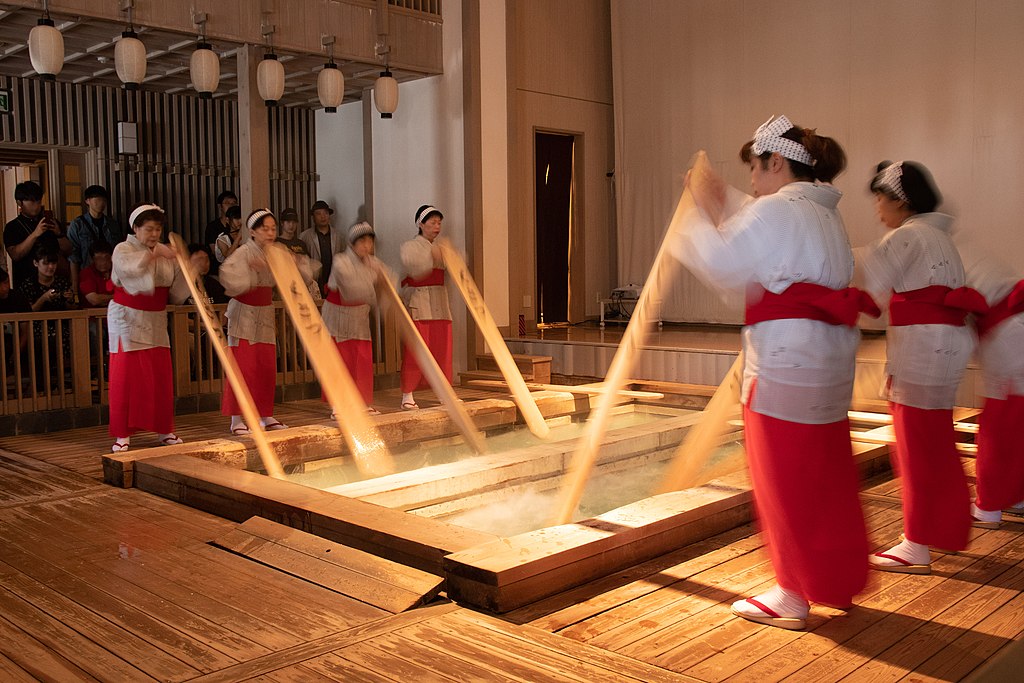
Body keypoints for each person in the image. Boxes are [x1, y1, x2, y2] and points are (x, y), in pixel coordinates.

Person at [673, 116, 874, 630]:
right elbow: (762, 227)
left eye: (756, 170)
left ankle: (790, 592)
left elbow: (726, 261)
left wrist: (694, 213)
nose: (753, 183)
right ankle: (831, 579)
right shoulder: (823, 213)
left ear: (777, 162)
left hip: (786, 363)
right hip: (827, 362)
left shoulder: (777, 211)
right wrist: (720, 197)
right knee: (823, 477)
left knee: (782, 478)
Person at [861, 161, 985, 574]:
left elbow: (869, 297)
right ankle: (944, 528)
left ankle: (915, 542)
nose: (877, 208)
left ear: (899, 200)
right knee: (935, 443)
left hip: (921, 348)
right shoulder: (940, 237)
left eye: (879, 198)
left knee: (915, 446)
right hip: (947, 344)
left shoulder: (905, 236)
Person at [107, 204, 189, 451]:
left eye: (158, 229)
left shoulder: (163, 252)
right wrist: (153, 255)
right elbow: (129, 270)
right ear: (135, 228)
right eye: (149, 229)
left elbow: (175, 293)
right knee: (126, 377)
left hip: (155, 319)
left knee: (159, 376)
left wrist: (188, 266)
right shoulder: (123, 248)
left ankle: (165, 430)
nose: (154, 234)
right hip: (127, 318)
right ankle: (122, 435)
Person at [956, 243, 1024, 526]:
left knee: (1000, 425)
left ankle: (989, 506)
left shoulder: (935, 248)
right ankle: (1016, 495)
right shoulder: (960, 244)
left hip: (1005, 337)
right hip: (1012, 329)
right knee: (1015, 420)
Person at [219, 209, 301, 435]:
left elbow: (296, 275)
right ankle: (237, 419)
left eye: (273, 228)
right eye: (264, 228)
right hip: (243, 312)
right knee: (243, 367)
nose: (270, 232)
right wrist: (249, 272)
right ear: (252, 231)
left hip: (264, 312)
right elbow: (227, 275)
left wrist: (290, 265)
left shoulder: (278, 251)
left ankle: (264, 414)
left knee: (265, 366)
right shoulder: (244, 252)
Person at [322, 222, 389, 413]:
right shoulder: (340, 260)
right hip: (338, 317)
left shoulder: (373, 262)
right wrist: (374, 281)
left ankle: (361, 403)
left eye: (370, 241)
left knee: (362, 360)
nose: (367, 246)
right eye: (362, 241)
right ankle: (337, 405)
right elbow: (353, 288)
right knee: (339, 361)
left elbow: (388, 279)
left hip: (359, 317)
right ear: (352, 244)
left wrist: (384, 281)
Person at [398, 205, 453, 411]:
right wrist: (433, 258)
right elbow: (415, 269)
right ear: (420, 224)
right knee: (417, 351)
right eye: (432, 222)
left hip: (440, 302)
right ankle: (407, 394)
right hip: (419, 303)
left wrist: (447, 256)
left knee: (442, 350)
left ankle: (443, 392)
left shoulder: (441, 247)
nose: (436, 226)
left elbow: (458, 266)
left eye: (439, 223)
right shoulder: (410, 246)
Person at [4, 180, 71, 287]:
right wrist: (35, 234)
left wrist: (59, 234)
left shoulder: (51, 222)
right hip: (27, 282)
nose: (36, 205)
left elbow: (69, 250)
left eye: (39, 201)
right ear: (19, 202)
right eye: (32, 201)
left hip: (56, 280)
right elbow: (15, 255)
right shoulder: (12, 227)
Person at [66, 184, 124, 296]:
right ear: (87, 201)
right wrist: (74, 285)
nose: (101, 203)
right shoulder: (77, 224)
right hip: (88, 274)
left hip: (110, 274)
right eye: (97, 199)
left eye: (103, 199)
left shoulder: (112, 224)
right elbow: (74, 257)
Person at [300, 200, 346, 293]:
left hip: (334, 281)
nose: (323, 216)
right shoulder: (305, 236)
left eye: (326, 213)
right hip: (315, 281)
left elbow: (344, 257)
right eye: (318, 214)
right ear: (313, 217)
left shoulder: (339, 236)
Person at [0, 267, 31, 370]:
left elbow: (26, 332)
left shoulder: (18, 298)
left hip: (17, 340)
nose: (5, 288)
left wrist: (16, 353)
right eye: (0, 284)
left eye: (6, 282)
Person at [204, 190, 238, 274]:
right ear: (220, 206)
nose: (231, 206)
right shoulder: (213, 227)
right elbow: (216, 253)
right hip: (219, 271)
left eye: (234, 203)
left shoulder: (241, 226)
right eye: (227, 203)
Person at [78, 241, 115, 307]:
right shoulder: (87, 273)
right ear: (92, 259)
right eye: (99, 258)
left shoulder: (118, 271)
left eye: (106, 257)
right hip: (92, 314)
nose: (103, 262)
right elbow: (94, 300)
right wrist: (118, 297)